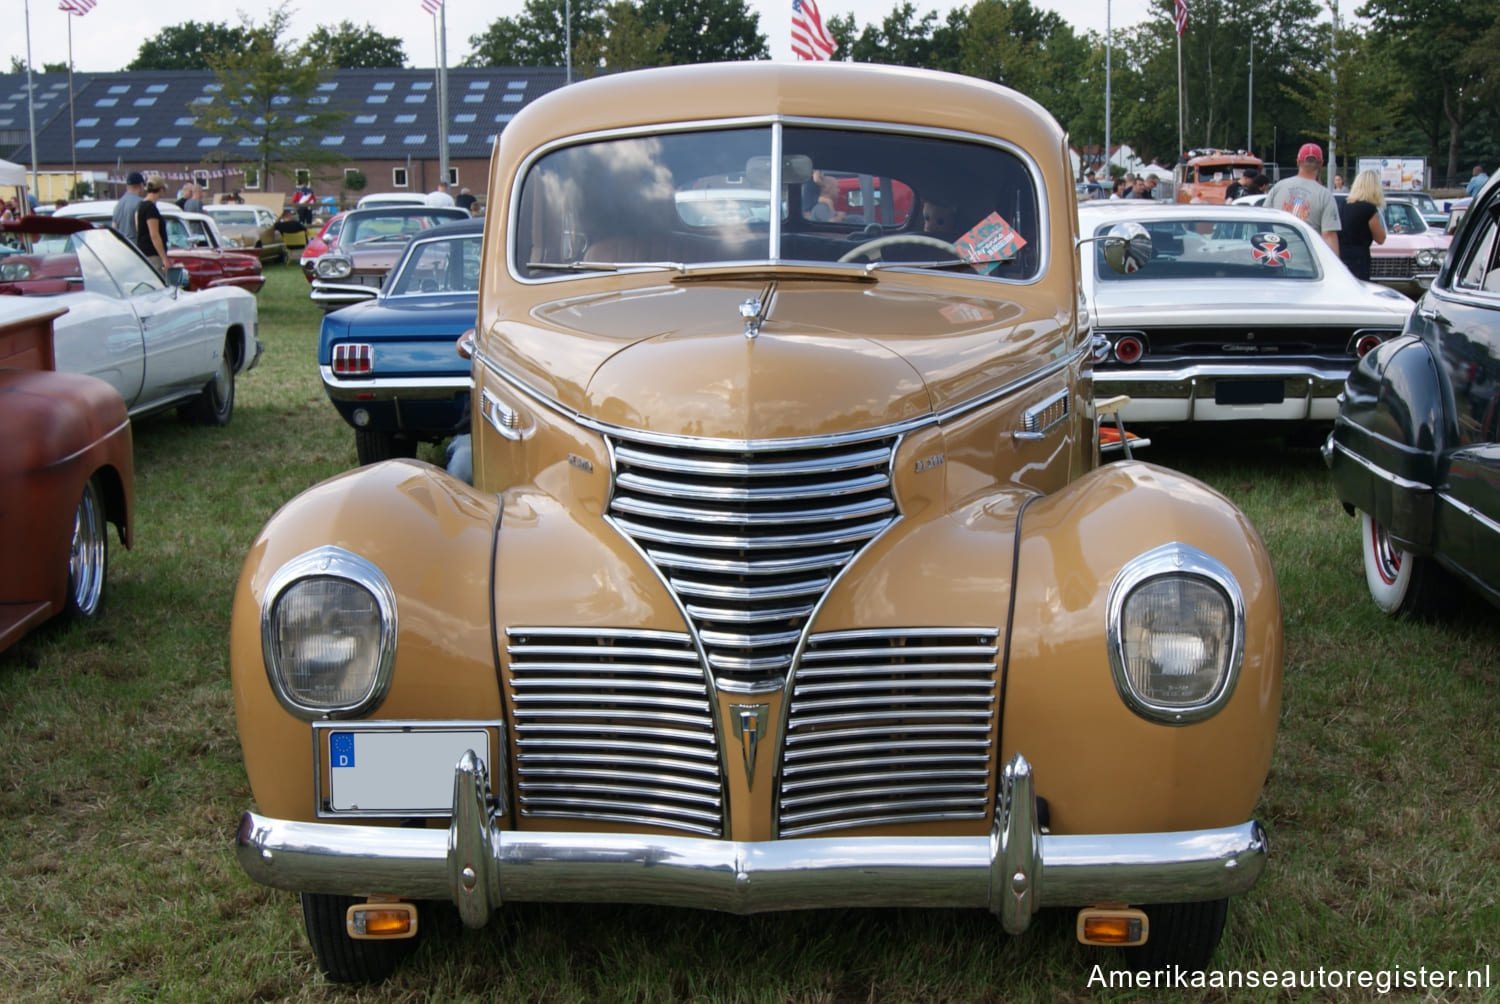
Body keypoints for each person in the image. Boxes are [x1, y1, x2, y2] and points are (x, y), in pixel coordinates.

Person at [1264, 142, 1340, 254]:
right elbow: (1328, 235)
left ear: (1298, 162)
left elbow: (1264, 220)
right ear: (1321, 164)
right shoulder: (1325, 195)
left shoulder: (1279, 186)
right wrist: (1334, 266)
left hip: (1276, 256)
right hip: (1307, 261)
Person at [1337, 169, 1387, 281]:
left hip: (1341, 255)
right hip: (1359, 258)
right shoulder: (1368, 208)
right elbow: (1380, 238)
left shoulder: (1344, 204)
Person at [134, 175, 170, 269]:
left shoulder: (140, 205)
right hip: (152, 254)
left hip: (143, 252)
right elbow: (154, 235)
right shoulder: (151, 208)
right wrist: (164, 258)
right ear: (161, 189)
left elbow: (138, 227)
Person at [114, 171, 145, 244]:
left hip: (122, 247)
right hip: (135, 247)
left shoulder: (119, 204)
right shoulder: (140, 203)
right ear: (141, 185)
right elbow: (140, 230)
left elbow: (114, 226)